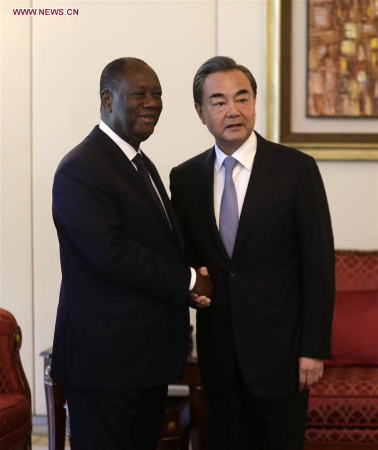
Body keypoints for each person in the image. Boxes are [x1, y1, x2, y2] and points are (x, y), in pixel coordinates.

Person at [170, 56, 335, 450]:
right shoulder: (185, 178)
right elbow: (189, 260)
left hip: (282, 356)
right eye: (219, 101)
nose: (233, 111)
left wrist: (313, 350)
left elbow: (319, 266)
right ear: (201, 112)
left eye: (242, 98)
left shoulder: (296, 169)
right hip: (219, 357)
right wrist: (191, 286)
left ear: (256, 103)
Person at [51, 57, 212, 450]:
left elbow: (155, 244)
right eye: (139, 93)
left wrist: (186, 278)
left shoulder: (139, 162)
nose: (152, 102)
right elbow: (112, 253)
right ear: (107, 99)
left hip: (143, 362)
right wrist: (188, 279)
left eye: (157, 94)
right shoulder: (82, 168)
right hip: (106, 365)